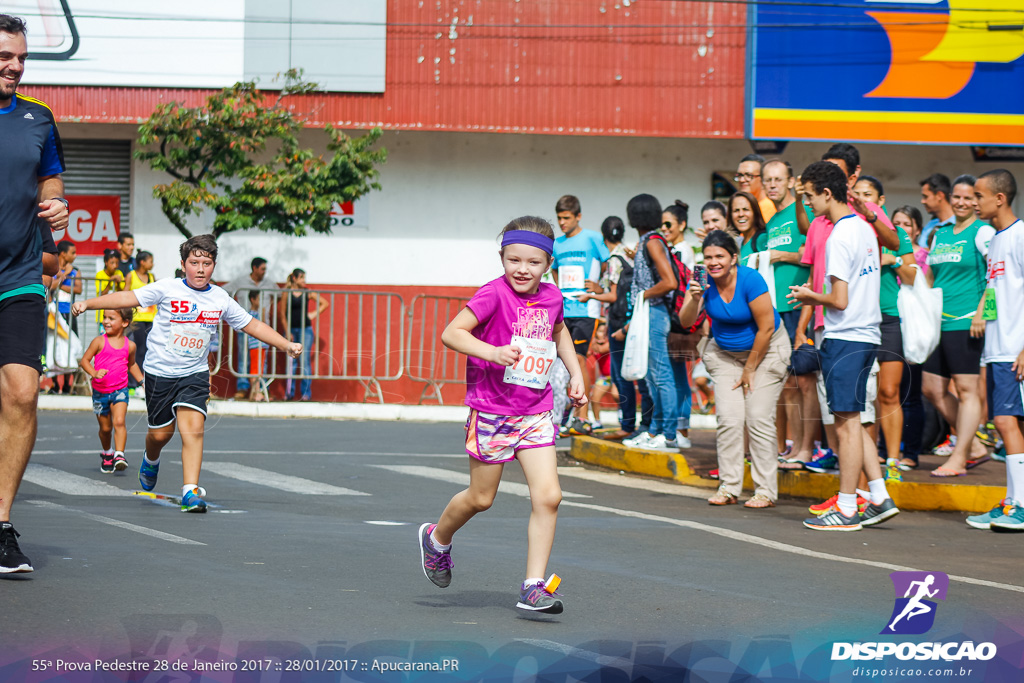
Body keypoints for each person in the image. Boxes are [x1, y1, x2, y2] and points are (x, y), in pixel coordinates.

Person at [419, 216, 586, 614]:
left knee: (549, 496)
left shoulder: (552, 296)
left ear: (548, 263)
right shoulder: (492, 294)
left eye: (532, 262)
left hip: (535, 410)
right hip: (492, 410)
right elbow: (452, 333)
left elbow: (559, 331)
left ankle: (534, 586)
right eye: (514, 260)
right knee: (481, 498)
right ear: (502, 258)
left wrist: (575, 372)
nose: (522, 269)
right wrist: (491, 352)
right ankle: (436, 538)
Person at [72, 235, 302, 513]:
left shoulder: (220, 298)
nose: (201, 269)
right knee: (160, 434)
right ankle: (151, 457)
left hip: (194, 373)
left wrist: (286, 344)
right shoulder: (168, 288)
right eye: (194, 263)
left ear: (214, 266)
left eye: (206, 263)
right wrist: (89, 303)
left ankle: (190, 491)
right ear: (183, 265)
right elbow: (128, 297)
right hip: (159, 373)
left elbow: (251, 325)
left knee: (192, 429)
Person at [788, 161, 898, 531]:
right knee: (857, 419)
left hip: (845, 335)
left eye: (809, 197)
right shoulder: (866, 229)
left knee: (846, 425)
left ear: (827, 193)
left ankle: (848, 506)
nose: (808, 205)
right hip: (866, 334)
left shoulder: (838, 236)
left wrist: (809, 296)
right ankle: (879, 497)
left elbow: (838, 300)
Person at [0, 12, 71, 574]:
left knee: (22, 394)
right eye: (5, 55)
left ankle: (0, 526)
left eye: (21, 57)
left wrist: (57, 205)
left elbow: (51, 180)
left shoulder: (39, 119)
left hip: (19, 275)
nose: (15, 65)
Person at [680, 230, 791, 507]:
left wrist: (751, 369)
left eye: (720, 256)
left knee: (758, 417)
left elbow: (766, 327)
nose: (714, 262)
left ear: (733, 258)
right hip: (726, 355)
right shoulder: (702, 283)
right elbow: (685, 322)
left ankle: (765, 490)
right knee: (729, 420)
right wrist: (694, 298)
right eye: (708, 257)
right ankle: (729, 487)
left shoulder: (751, 280)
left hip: (766, 353)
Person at [922, 174, 994, 477]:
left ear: (977, 201)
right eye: (958, 196)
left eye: (969, 197)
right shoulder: (941, 233)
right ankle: (975, 447)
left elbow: (996, 278)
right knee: (932, 389)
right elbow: (931, 276)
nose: (962, 202)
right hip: (938, 322)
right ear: (950, 198)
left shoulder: (984, 232)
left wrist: (983, 313)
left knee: (967, 390)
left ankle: (959, 457)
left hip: (967, 322)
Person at [965, 170, 1024, 531]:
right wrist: (982, 320)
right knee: (1006, 423)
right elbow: (994, 289)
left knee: (1005, 422)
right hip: (997, 348)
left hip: (1015, 348)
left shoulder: (1020, 235)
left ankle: (1018, 505)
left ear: (999, 199)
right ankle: (1012, 501)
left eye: (979, 196)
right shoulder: (997, 240)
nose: (973, 202)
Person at [852, 176, 917, 481]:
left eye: (869, 195)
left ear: (880, 201)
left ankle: (893, 461)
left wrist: (890, 259)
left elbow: (913, 276)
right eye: (859, 193)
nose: (863, 198)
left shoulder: (896, 233)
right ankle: (871, 459)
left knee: (889, 393)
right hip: (858, 319)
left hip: (888, 318)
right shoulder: (850, 230)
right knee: (865, 396)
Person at [762, 159, 818, 469]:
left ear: (790, 181)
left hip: (801, 307)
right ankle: (796, 447)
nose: (772, 185)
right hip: (777, 311)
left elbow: (812, 256)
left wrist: (781, 255)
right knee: (788, 384)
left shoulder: (804, 212)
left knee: (805, 381)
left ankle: (807, 448)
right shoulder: (771, 222)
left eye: (777, 179)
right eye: (767, 180)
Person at [621, 194, 681, 452]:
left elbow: (670, 282)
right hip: (650, 313)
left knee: (661, 375)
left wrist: (643, 296)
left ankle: (668, 435)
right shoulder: (650, 241)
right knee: (653, 377)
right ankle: (655, 430)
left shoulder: (653, 242)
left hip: (654, 313)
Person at [551, 195, 609, 434]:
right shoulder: (557, 244)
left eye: (566, 218)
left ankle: (582, 416)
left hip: (586, 309)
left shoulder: (593, 238)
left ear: (578, 216)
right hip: (564, 309)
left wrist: (598, 287)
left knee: (579, 359)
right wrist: (560, 292)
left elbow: (608, 264)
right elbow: (554, 270)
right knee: (563, 362)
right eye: (559, 218)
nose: (562, 222)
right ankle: (567, 414)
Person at [600, 217, 654, 441]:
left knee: (621, 377)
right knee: (641, 375)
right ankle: (647, 423)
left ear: (604, 237)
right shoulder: (631, 255)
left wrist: (591, 294)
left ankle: (628, 424)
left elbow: (612, 295)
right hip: (636, 319)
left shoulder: (614, 259)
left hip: (619, 323)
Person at [79, 307, 144, 473]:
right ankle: (107, 452)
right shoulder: (99, 341)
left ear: (124, 323)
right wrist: (94, 372)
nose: (106, 321)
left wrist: (142, 381)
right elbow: (85, 361)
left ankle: (119, 455)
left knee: (119, 422)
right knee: (105, 429)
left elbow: (132, 364)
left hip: (120, 390)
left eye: (111, 318)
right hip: (100, 392)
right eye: (104, 317)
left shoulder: (130, 346)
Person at [891, 206, 929, 470]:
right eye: (896, 223)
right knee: (888, 392)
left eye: (906, 223)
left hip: (913, 327)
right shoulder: (884, 248)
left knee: (911, 394)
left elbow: (920, 285)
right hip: (890, 325)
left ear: (917, 228)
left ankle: (911, 453)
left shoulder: (923, 256)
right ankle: (885, 449)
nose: (901, 228)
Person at [223, 257, 279, 399]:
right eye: (262, 269)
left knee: (262, 360)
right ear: (254, 268)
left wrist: (269, 305)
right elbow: (224, 291)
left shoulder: (269, 283)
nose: (264, 272)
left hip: (262, 327)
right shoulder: (240, 281)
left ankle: (261, 388)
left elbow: (280, 294)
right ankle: (243, 388)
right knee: (244, 358)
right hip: (244, 327)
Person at [280, 268, 328, 401]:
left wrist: (312, 314)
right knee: (291, 362)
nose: (304, 281)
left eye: (304, 278)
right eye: (301, 278)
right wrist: (287, 331)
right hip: (291, 329)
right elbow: (282, 314)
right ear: (294, 278)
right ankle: (289, 392)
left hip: (305, 330)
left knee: (305, 361)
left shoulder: (307, 292)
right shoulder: (287, 293)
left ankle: (306, 393)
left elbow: (325, 303)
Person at [49, 240, 82, 394]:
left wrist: (61, 282)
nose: (75, 256)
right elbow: (49, 285)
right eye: (72, 252)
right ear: (63, 254)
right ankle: (55, 383)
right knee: (54, 345)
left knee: (71, 344)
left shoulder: (75, 271)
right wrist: (61, 277)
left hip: (69, 312)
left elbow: (78, 288)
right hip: (54, 312)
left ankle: (69, 384)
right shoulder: (53, 269)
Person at [126, 250, 156, 394]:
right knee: (138, 350)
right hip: (136, 319)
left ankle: (146, 381)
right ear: (143, 262)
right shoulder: (131, 276)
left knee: (149, 350)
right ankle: (135, 383)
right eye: (151, 261)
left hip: (150, 319)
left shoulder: (151, 277)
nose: (153, 264)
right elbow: (125, 295)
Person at [734, 153, 777, 222]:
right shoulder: (742, 208)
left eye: (749, 175)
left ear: (763, 178)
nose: (742, 180)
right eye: (740, 175)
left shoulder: (770, 207)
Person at [246, 289, 271, 402]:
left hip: (261, 345)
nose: (260, 302)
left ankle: (256, 392)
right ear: (253, 299)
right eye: (259, 299)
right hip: (255, 345)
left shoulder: (258, 314)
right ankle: (256, 392)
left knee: (260, 369)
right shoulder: (251, 315)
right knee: (256, 369)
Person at [918, 173, 955, 249]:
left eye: (925, 197)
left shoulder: (960, 224)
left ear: (939, 196)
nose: (922, 201)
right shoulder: (930, 225)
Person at [94, 248, 125, 337]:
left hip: (116, 314)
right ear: (106, 262)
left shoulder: (119, 273)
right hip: (102, 315)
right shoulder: (100, 275)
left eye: (117, 263)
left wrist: (118, 283)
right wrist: (110, 281)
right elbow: (101, 294)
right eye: (112, 263)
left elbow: (121, 293)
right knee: (104, 338)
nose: (115, 266)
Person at [730, 191, 768, 261]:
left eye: (746, 209)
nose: (741, 214)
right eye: (736, 210)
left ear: (755, 213)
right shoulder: (739, 244)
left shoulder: (762, 239)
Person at [662, 200, 699, 270]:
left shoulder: (681, 250)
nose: (663, 228)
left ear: (682, 225)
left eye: (668, 224)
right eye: (662, 224)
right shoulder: (678, 248)